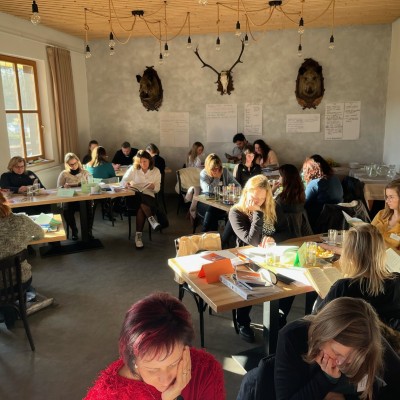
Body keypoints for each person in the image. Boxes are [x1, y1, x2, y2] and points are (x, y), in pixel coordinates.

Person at [84, 292, 225, 400]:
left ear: (185, 349)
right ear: (133, 360)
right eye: (152, 370)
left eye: (174, 363)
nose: (165, 380)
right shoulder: (109, 395)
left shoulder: (205, 371)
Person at [274, 297, 400, 400]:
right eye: (337, 353)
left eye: (350, 360)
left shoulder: (366, 341)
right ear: (322, 334)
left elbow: (380, 387)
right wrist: (326, 379)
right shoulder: (292, 337)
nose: (341, 363)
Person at [228, 175, 291, 342]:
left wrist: (273, 238)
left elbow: (288, 231)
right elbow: (252, 241)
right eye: (254, 197)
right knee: (250, 281)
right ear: (246, 192)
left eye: (262, 199)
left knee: (289, 279)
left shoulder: (273, 206)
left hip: (271, 256)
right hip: (246, 258)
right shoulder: (236, 212)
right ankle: (243, 322)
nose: (258, 201)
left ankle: (279, 318)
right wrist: (257, 212)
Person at [316, 224, 400, 331]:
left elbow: (317, 321)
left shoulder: (344, 287)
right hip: (389, 340)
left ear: (349, 254)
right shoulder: (397, 281)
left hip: (350, 340)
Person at [0, 191, 44, 327]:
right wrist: (21, 240)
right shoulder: (21, 220)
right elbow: (40, 235)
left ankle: (7, 311)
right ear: (4, 200)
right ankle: (14, 307)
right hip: (20, 281)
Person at [120, 150, 161, 249]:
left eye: (145, 161)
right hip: (133, 197)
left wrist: (152, 186)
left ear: (150, 160)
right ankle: (151, 219)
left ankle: (138, 237)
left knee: (141, 208)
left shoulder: (156, 171)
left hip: (148, 198)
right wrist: (126, 184)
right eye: (140, 162)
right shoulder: (133, 169)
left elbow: (157, 189)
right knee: (140, 199)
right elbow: (123, 181)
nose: (143, 164)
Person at [57, 153, 94, 241]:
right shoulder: (64, 174)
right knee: (67, 210)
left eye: (75, 163)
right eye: (71, 164)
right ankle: (74, 230)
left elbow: (92, 185)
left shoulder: (85, 172)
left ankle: (88, 231)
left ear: (78, 162)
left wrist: (86, 184)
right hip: (70, 199)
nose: (73, 166)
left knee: (89, 209)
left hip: (84, 198)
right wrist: (63, 187)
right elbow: (58, 189)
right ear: (67, 164)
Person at [199, 153, 239, 232]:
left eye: (218, 168)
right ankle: (206, 232)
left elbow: (238, 185)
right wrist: (217, 178)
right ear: (208, 168)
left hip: (221, 203)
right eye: (213, 169)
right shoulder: (203, 174)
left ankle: (209, 233)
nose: (216, 170)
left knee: (235, 211)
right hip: (206, 202)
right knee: (212, 210)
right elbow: (208, 190)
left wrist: (231, 188)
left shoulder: (224, 171)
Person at [303, 154, 343, 232]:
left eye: (306, 170)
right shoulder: (335, 178)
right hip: (337, 219)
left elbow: (303, 203)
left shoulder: (315, 183)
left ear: (311, 170)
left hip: (319, 220)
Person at [273, 163, 311, 237]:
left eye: (280, 176)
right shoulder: (300, 193)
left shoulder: (282, 198)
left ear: (285, 178)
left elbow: (270, 206)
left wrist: (272, 191)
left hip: (286, 232)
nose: (279, 178)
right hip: (302, 231)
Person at [371, 179, 400, 249]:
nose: (387, 201)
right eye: (387, 197)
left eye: (391, 197)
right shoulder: (381, 214)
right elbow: (368, 232)